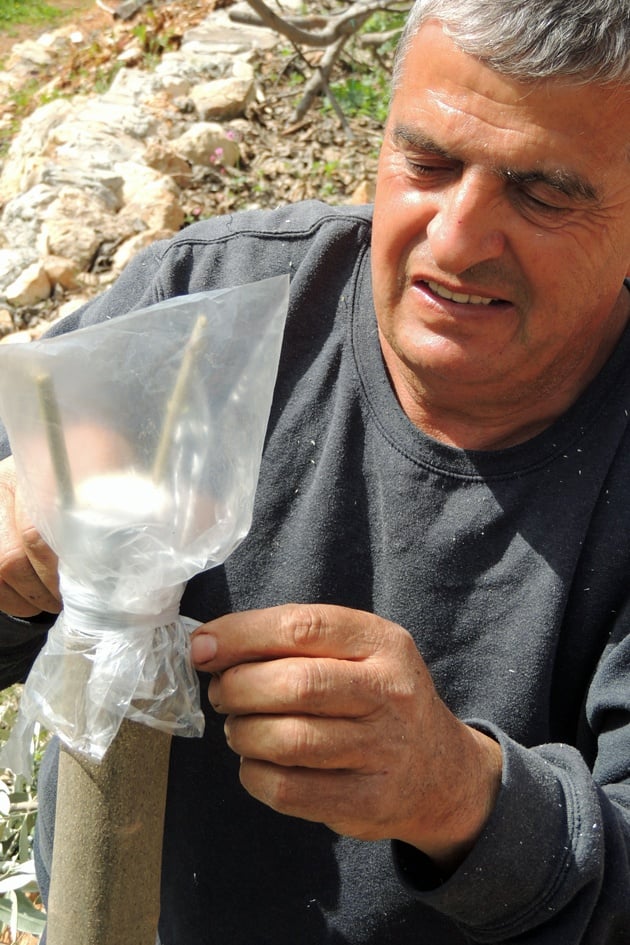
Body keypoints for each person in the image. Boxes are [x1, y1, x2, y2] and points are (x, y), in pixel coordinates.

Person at [0, 0, 629, 940]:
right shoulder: (205, 317)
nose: (455, 241)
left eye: (544, 193)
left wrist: (463, 801)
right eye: (426, 161)